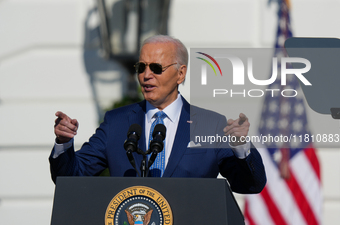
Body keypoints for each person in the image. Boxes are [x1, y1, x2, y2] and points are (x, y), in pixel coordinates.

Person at [49, 35, 266, 194]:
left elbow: (250, 184)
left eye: (156, 68)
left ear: (180, 74)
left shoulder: (211, 125)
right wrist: (64, 143)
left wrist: (240, 146)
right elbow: (70, 177)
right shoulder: (116, 123)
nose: (146, 75)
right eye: (141, 67)